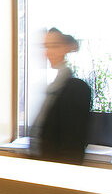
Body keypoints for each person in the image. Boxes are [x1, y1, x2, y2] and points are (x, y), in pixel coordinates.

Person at [31, 28, 92, 164]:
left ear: (66, 48)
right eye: (47, 47)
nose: (49, 52)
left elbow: (73, 144)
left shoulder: (77, 89)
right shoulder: (54, 87)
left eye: (55, 46)